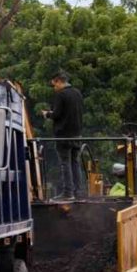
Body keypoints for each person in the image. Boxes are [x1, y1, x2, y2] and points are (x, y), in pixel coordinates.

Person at [42, 71, 84, 200]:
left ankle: (67, 193)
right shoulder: (77, 93)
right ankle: (78, 192)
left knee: (65, 163)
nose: (54, 88)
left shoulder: (61, 95)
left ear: (59, 81)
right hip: (77, 134)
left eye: (54, 85)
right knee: (75, 163)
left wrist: (47, 114)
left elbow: (57, 114)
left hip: (63, 135)